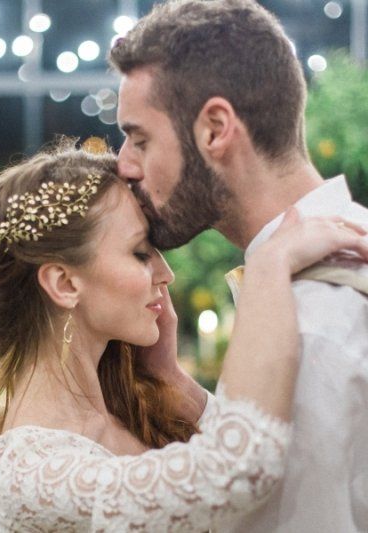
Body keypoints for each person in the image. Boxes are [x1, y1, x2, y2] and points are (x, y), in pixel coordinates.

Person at [0, 141, 368, 531]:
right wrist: (267, 267)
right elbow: (233, 471)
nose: (166, 274)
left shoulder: (132, 405)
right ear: (65, 283)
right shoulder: (33, 474)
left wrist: (170, 378)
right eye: (141, 253)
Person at [109, 0, 368, 530]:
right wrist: (175, 386)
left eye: (140, 139)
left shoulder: (308, 326)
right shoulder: (335, 255)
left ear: (215, 129)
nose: (124, 164)